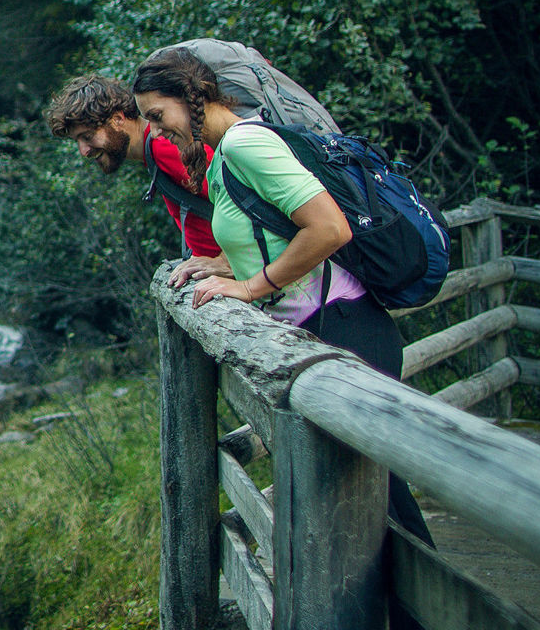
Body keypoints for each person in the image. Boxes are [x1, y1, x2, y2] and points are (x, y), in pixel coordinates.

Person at [132, 46, 433, 627]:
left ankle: (439, 617)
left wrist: (251, 289)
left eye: (156, 113)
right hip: (327, 327)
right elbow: (268, 229)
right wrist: (220, 265)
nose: (153, 129)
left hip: (346, 328)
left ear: (192, 100)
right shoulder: (225, 153)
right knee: (365, 510)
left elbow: (328, 228)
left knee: (384, 509)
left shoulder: (246, 143)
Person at [43, 74, 229, 278]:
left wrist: (225, 261)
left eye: (87, 137)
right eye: (77, 141)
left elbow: (242, 193)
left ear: (118, 119)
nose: (84, 151)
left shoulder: (165, 147)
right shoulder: (154, 153)